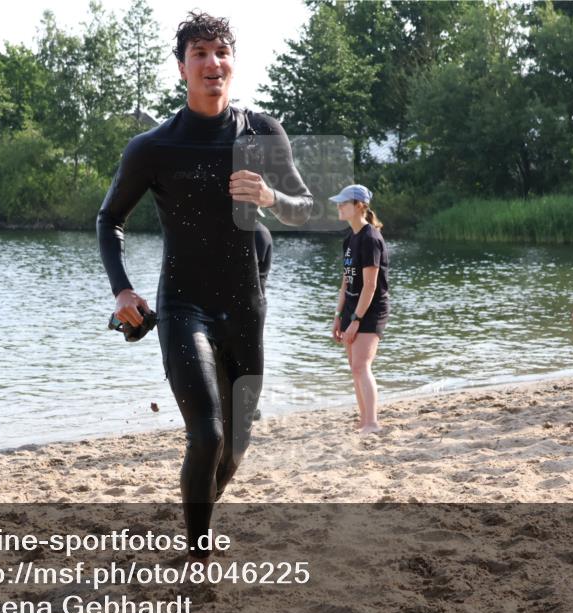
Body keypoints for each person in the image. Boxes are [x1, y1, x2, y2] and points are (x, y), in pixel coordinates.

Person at [97, 12, 312, 560]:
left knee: (237, 444)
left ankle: (197, 517)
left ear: (232, 63)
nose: (213, 63)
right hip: (183, 306)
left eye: (221, 52)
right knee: (208, 435)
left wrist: (271, 199)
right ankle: (198, 553)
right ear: (181, 68)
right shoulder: (153, 147)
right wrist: (122, 290)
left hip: (245, 307)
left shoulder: (262, 132)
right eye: (200, 53)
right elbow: (109, 220)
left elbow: (304, 207)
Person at [330, 185, 389, 435]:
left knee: (361, 366)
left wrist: (356, 319)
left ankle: (372, 422)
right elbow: (346, 281)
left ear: (359, 206)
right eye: (339, 203)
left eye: (343, 203)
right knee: (354, 365)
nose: (339, 207)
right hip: (351, 310)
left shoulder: (371, 238)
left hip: (370, 310)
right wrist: (338, 316)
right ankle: (363, 419)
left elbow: (371, 285)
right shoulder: (349, 239)